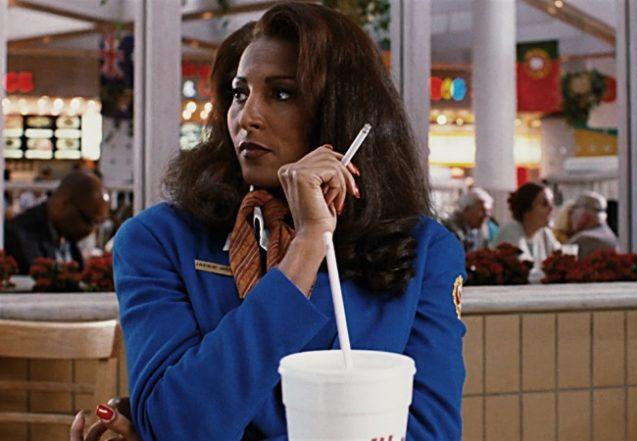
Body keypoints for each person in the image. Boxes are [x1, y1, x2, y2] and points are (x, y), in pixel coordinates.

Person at [113, 4, 466, 440]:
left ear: (339, 110)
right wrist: (305, 249)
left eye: (281, 94)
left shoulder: (424, 250)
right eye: (240, 93)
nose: (247, 116)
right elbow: (176, 424)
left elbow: (430, 432)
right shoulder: (158, 240)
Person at [4, 170, 110, 274]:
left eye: (99, 222)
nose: (91, 230)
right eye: (89, 221)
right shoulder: (20, 237)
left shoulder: (65, 233)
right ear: (63, 204)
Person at [492, 182, 561, 262]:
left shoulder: (544, 233)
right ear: (526, 210)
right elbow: (519, 267)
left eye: (551, 203)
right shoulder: (510, 232)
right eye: (544, 204)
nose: (551, 208)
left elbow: (560, 257)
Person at [568, 191, 619, 259]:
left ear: (584, 213)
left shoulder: (585, 240)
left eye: (573, 211)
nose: (571, 216)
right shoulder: (609, 235)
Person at [443, 187, 494, 252]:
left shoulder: (478, 231)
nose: (486, 215)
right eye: (482, 210)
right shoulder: (451, 231)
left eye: (488, 211)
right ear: (467, 209)